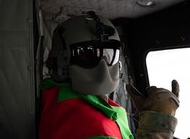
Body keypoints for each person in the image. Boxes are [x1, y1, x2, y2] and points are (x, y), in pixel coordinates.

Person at [38, 11, 180, 139]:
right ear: (63, 59)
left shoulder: (54, 92)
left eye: (109, 54)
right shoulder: (97, 129)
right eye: (88, 54)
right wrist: (157, 126)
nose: (103, 65)